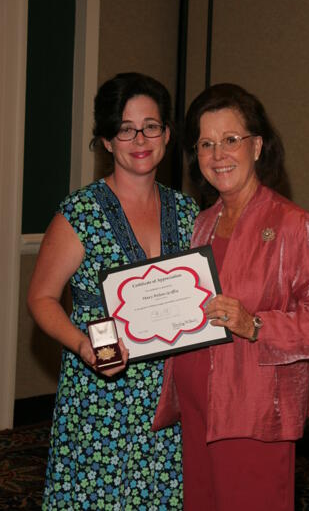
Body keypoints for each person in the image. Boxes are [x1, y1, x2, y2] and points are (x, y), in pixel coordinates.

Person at [152, 83, 309, 511]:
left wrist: (257, 324)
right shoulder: (203, 223)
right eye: (206, 144)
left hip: (253, 409)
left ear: (257, 146)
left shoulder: (295, 226)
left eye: (230, 140)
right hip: (196, 402)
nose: (217, 154)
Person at [27, 72, 199, 510]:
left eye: (151, 126)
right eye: (125, 129)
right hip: (101, 397)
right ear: (106, 140)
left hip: (169, 400)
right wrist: (84, 348)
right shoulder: (79, 213)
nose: (139, 138)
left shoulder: (186, 210)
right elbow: (41, 298)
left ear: (166, 133)